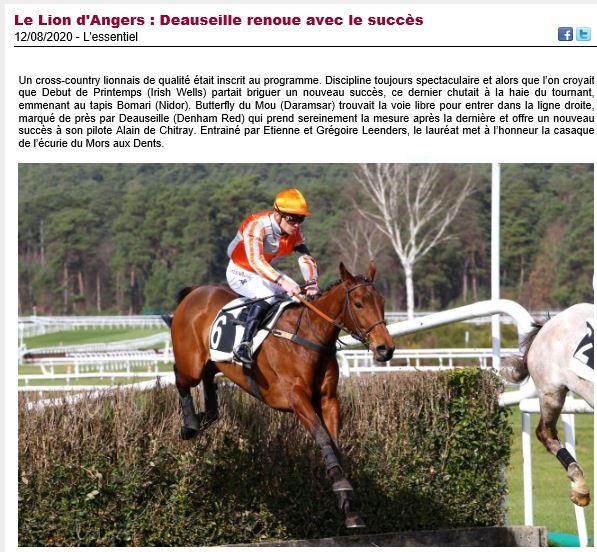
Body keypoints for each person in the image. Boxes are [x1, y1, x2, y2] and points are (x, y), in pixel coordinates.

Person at [226, 188, 320, 364]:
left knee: (298, 297)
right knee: (267, 296)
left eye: (301, 219)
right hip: (240, 270)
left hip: (265, 271)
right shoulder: (257, 225)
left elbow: (304, 257)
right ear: (277, 214)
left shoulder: (294, 231)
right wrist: (283, 282)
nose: (297, 224)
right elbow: (256, 261)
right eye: (292, 218)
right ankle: (243, 346)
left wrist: (312, 282)